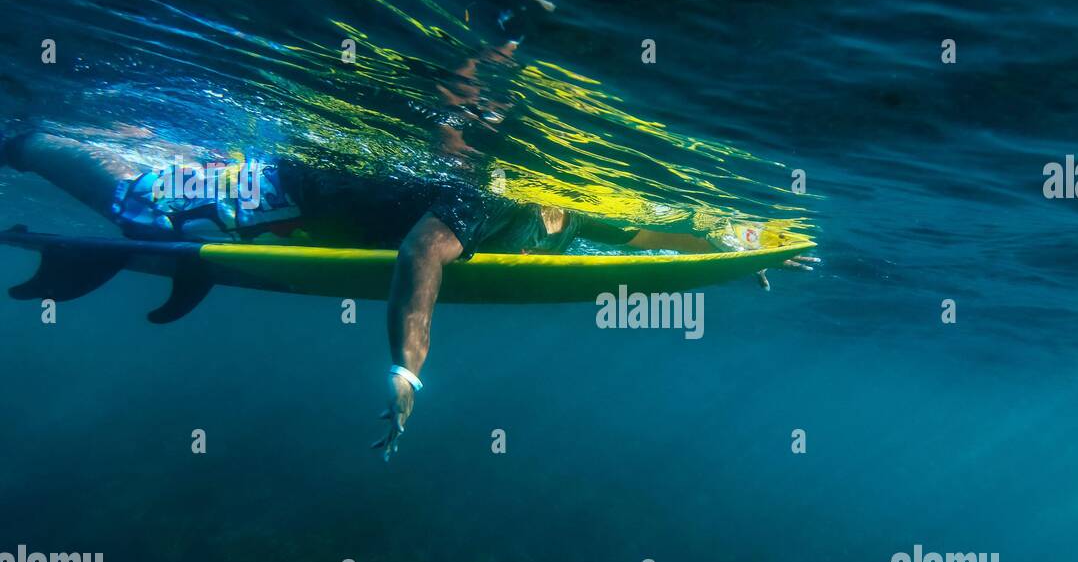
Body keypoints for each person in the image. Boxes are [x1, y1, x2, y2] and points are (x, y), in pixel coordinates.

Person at [0, 127, 817, 458]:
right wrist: (407, 369)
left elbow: (641, 237)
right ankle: (32, 140)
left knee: (157, 208)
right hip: (289, 191)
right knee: (134, 205)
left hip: (318, 205)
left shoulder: (574, 206)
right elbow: (420, 255)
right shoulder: (494, 194)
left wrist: (728, 253)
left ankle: (137, 148)